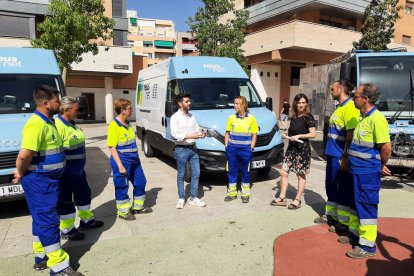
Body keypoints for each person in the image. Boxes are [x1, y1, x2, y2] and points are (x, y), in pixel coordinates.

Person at [12, 85, 82, 275]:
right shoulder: (37, 124)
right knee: (49, 221)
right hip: (40, 181)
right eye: (56, 100)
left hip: (49, 180)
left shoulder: (49, 122)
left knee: (40, 219)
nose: (59, 104)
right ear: (45, 103)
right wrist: (20, 173)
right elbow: (24, 155)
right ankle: (58, 266)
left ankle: (41, 256)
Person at [345, 83, 391, 259]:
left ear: (365, 99)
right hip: (358, 171)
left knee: (367, 207)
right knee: (358, 205)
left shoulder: (377, 119)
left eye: (355, 96)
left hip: (367, 173)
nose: (353, 99)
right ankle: (357, 237)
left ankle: (367, 247)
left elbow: (386, 147)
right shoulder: (362, 118)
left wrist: (379, 165)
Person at [314, 80, 360, 239]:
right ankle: (332, 217)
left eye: (332, 88)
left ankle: (343, 223)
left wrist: (345, 157)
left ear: (341, 89)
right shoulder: (340, 107)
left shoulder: (350, 108)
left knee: (343, 188)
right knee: (332, 186)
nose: (330, 90)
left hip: (340, 155)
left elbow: (351, 134)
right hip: (332, 154)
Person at [56, 97, 104, 240]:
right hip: (66, 173)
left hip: (78, 172)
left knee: (84, 195)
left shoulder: (72, 125)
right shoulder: (58, 126)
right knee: (66, 200)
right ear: (66, 109)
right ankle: (67, 230)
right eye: (76, 110)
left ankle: (86, 221)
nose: (78, 113)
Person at [107, 98, 152, 221]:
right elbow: (112, 147)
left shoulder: (128, 124)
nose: (131, 110)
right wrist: (120, 166)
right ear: (122, 110)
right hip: (122, 161)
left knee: (141, 182)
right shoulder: (114, 126)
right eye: (129, 108)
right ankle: (123, 212)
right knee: (122, 186)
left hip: (134, 161)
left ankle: (138, 207)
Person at [270, 93, 316, 209]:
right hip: (291, 149)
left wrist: (299, 136)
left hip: (302, 150)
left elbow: (313, 134)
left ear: (306, 104)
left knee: (300, 175)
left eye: (303, 103)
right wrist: (287, 135)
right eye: (299, 102)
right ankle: (282, 197)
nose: (301, 105)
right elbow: (292, 132)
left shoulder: (308, 117)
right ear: (295, 103)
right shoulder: (294, 116)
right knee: (283, 172)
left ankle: (297, 200)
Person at [170, 94, 206, 209]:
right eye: (187, 101)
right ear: (180, 104)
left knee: (196, 173)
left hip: (193, 148)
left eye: (189, 101)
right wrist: (191, 135)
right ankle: (181, 198)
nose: (189, 103)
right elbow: (174, 135)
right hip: (181, 149)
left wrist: (201, 133)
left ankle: (193, 198)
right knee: (181, 175)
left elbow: (196, 129)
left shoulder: (191, 116)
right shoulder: (175, 117)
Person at [224, 96, 258, 203]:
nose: (235, 106)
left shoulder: (251, 118)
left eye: (237, 104)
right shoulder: (231, 118)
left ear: (244, 105)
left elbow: (254, 134)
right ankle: (232, 194)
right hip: (232, 150)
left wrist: (251, 148)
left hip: (245, 151)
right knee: (232, 171)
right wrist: (227, 147)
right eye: (234, 103)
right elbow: (227, 133)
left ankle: (245, 194)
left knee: (246, 172)